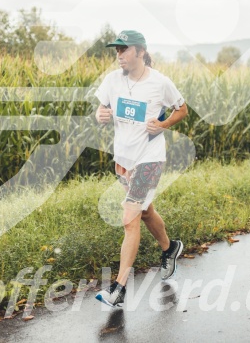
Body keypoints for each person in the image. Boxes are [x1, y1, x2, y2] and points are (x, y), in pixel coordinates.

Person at [94, 30, 188, 307]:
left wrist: (162, 125)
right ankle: (170, 248)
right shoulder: (112, 80)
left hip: (150, 158)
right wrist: (100, 115)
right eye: (116, 51)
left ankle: (118, 288)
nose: (119, 55)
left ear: (141, 52)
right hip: (124, 160)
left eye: (124, 50)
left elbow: (181, 110)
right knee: (146, 212)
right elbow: (101, 110)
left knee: (129, 218)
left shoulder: (160, 83)